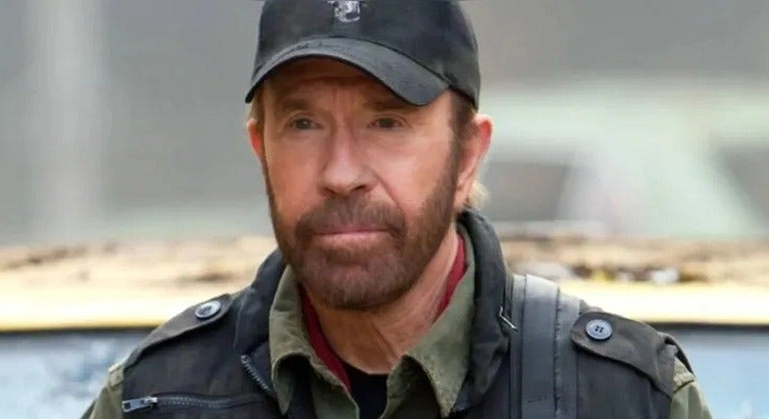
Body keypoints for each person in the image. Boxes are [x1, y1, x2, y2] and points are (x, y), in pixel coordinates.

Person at [83, 0, 711, 418]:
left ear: (467, 156)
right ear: (261, 149)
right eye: (303, 124)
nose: (341, 174)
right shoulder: (157, 399)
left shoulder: (623, 399)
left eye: (387, 122)